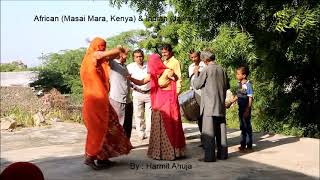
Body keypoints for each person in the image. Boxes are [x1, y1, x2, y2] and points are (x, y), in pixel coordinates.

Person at [80, 37, 132, 170]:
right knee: (98, 128)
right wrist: (119, 48)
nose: (102, 48)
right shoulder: (93, 55)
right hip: (94, 100)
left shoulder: (97, 58)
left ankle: (103, 158)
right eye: (101, 46)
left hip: (100, 99)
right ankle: (90, 157)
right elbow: (111, 53)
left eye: (104, 46)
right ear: (95, 46)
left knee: (111, 125)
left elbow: (112, 55)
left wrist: (120, 52)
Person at [128, 54, 186, 160]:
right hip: (158, 103)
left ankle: (172, 152)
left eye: (151, 64)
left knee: (168, 125)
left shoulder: (167, 71)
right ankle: (159, 152)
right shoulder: (153, 74)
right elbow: (141, 82)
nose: (150, 66)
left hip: (168, 103)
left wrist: (173, 77)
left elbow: (176, 78)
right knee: (158, 127)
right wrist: (130, 78)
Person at [193, 51, 229, 162]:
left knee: (208, 133)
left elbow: (197, 85)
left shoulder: (206, 69)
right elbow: (227, 86)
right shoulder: (222, 69)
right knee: (221, 132)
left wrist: (196, 74)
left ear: (205, 60)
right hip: (220, 105)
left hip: (209, 106)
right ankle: (223, 155)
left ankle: (209, 157)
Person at [108, 46, 133, 139]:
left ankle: (126, 144)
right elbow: (108, 57)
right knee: (118, 124)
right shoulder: (113, 64)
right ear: (120, 55)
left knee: (128, 124)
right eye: (126, 54)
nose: (127, 56)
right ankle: (117, 144)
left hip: (127, 99)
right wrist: (119, 49)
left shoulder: (125, 66)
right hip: (117, 99)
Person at [127, 49, 151, 140]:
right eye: (136, 57)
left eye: (140, 56)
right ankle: (140, 133)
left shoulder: (149, 65)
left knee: (150, 114)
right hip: (137, 92)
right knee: (138, 114)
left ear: (143, 56)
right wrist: (132, 87)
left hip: (149, 92)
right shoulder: (130, 67)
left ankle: (149, 133)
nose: (139, 58)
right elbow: (127, 79)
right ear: (134, 58)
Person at [231, 66, 254, 151]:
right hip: (240, 109)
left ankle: (249, 144)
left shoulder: (248, 85)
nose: (236, 75)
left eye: (238, 74)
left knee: (247, 127)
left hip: (246, 109)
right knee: (242, 127)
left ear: (244, 75)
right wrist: (231, 102)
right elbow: (238, 95)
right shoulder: (239, 84)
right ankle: (243, 144)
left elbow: (250, 98)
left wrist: (247, 110)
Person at [188, 49, 206, 135]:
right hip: (195, 94)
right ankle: (203, 137)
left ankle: (209, 138)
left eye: (195, 56)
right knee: (199, 116)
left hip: (204, 93)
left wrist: (198, 72)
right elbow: (191, 80)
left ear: (199, 56)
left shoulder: (204, 65)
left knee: (205, 116)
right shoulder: (190, 67)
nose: (194, 59)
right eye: (192, 57)